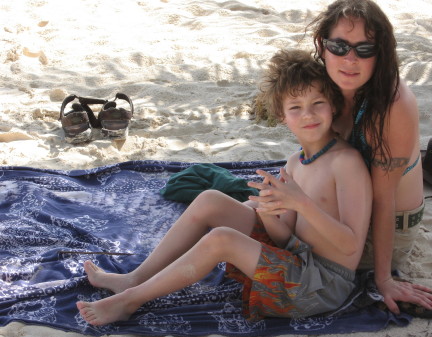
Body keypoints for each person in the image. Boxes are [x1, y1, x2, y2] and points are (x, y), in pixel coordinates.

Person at [76, 50, 372, 326]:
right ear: (282, 116)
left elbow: (350, 246)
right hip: (296, 261)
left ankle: (130, 301)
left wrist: (301, 203)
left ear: (332, 104)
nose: (308, 115)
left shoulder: (345, 162)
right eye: (296, 107)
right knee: (210, 200)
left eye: (317, 103)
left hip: (322, 285)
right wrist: (270, 213)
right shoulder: (296, 162)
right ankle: (134, 279)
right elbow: (286, 239)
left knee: (222, 240)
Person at [306, 0, 432, 314]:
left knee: (256, 227)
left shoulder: (392, 105)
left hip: (387, 227)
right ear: (321, 45)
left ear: (380, 55)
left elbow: (384, 199)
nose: (350, 59)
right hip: (348, 207)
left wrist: (383, 279)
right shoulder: (326, 83)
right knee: (230, 208)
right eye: (339, 46)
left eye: (365, 49)